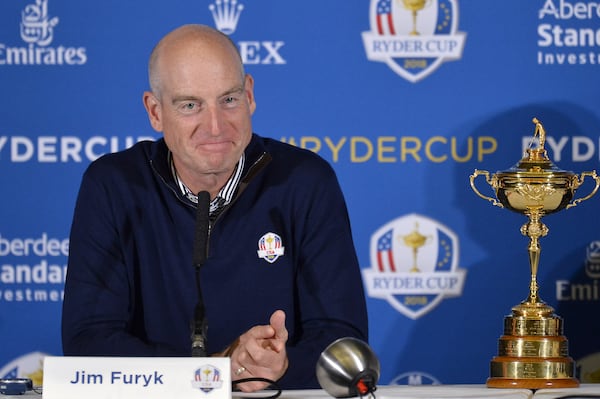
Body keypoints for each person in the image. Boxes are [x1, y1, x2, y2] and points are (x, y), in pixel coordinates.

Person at [61, 24, 368, 392]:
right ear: (155, 112)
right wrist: (217, 372)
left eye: (229, 100)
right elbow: (87, 343)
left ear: (250, 96)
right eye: (190, 105)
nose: (215, 126)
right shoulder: (114, 185)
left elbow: (344, 343)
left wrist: (281, 364)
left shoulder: (304, 181)